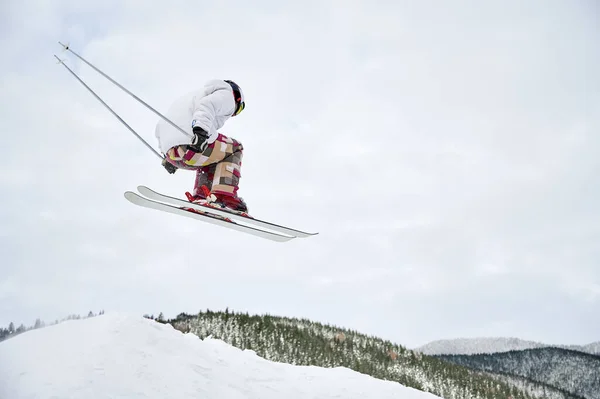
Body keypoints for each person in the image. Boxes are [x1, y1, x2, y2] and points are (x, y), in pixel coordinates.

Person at [154, 79, 248, 214]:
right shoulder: (227, 94)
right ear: (238, 98)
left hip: (174, 154)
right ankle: (223, 196)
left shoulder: (188, 99)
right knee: (235, 148)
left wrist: (166, 155)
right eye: (239, 109)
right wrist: (201, 131)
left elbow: (160, 127)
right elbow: (207, 105)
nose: (233, 114)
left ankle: (202, 197)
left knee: (215, 156)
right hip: (192, 143)